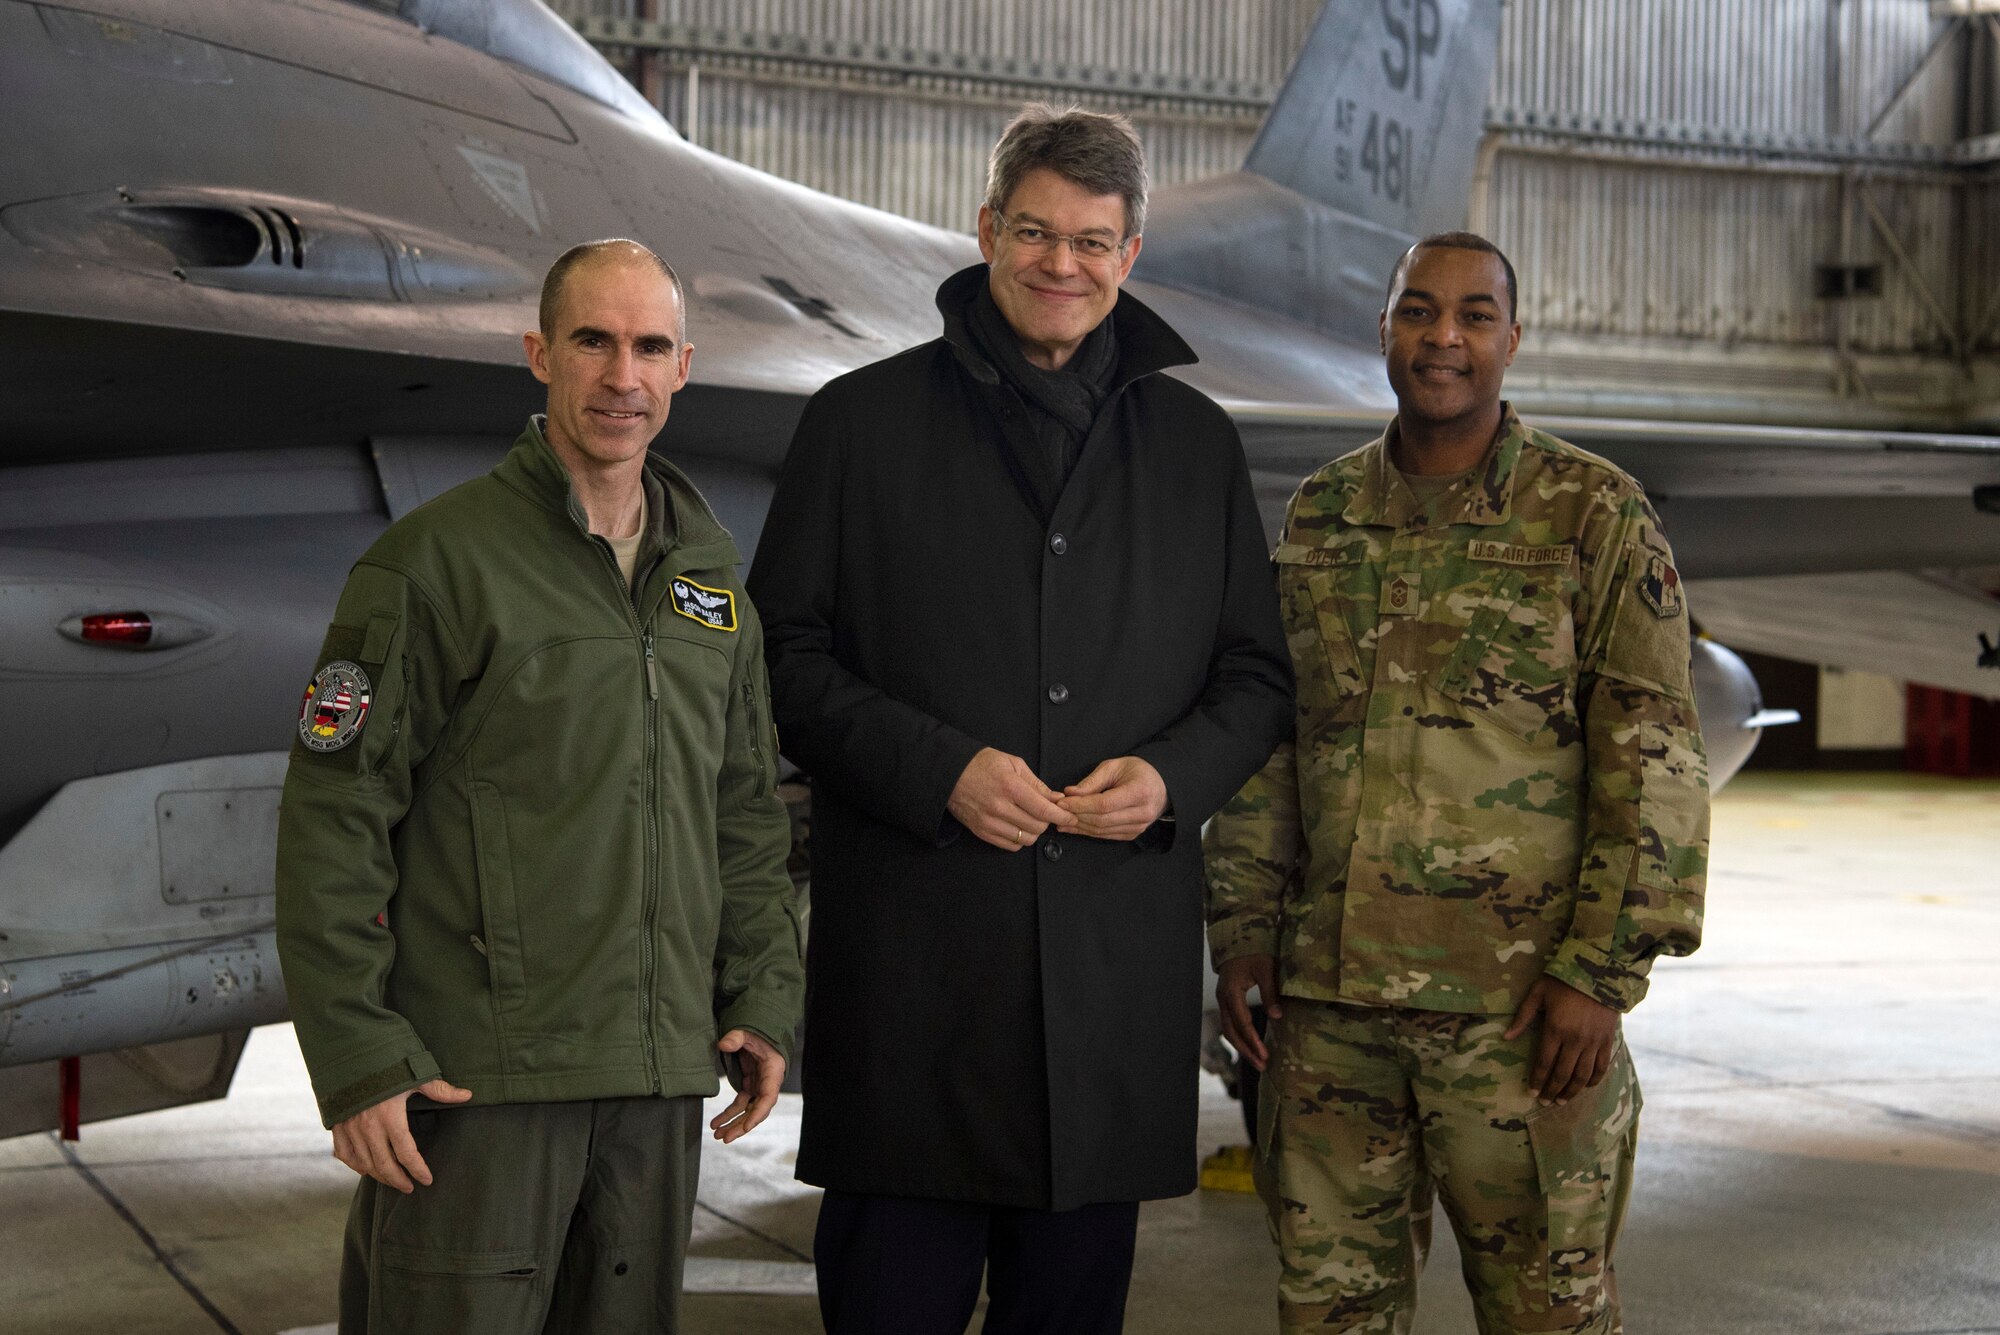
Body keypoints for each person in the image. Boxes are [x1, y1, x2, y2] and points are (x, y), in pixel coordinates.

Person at [746, 105, 1294, 1334]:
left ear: (1131, 253)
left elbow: (1254, 677)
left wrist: (1169, 779)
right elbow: (776, 660)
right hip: (912, 1006)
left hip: (1103, 1008)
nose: (1062, 265)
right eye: (1036, 233)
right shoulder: (857, 423)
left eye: (1093, 242)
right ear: (986, 230)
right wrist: (935, 768)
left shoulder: (1196, 449)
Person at [275, 239, 803, 1335]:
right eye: (593, 342)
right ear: (538, 356)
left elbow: (744, 813)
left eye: (649, 347)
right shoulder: (435, 564)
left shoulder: (709, 584)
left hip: (657, 1079)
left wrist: (759, 995)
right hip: (481, 1084)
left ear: (683, 366)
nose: (623, 377)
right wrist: (358, 1055)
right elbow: (334, 816)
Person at [1204, 232, 1709, 1334]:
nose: (1443, 337)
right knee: (1330, 1313)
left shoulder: (1592, 513)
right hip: (1329, 1014)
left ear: (1511, 340)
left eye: (1473, 315)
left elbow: (1653, 755)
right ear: (1381, 329)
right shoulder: (1321, 515)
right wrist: (1242, 924)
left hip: (1518, 1018)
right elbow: (1274, 742)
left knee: (1545, 1313)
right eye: (1416, 311)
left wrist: (1600, 971)